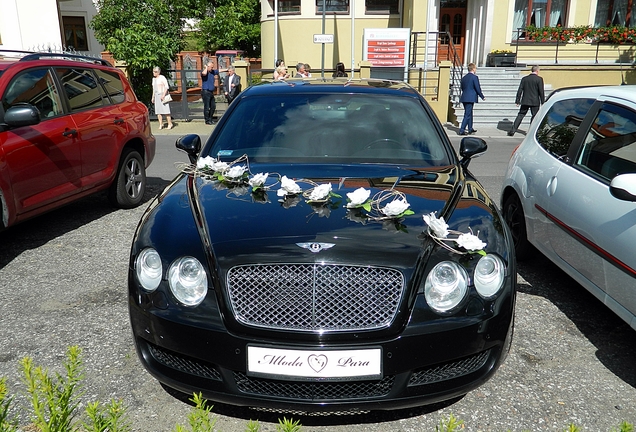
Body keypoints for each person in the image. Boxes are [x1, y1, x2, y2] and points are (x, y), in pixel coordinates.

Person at [508, 65, 545, 136]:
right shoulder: (539, 79)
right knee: (534, 116)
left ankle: (513, 130)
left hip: (525, 100)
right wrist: (543, 102)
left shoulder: (524, 79)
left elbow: (520, 90)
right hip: (535, 101)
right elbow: (541, 92)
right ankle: (530, 132)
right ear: (537, 71)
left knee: (520, 115)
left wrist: (517, 100)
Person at [458, 63, 485, 136]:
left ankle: (470, 128)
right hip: (470, 97)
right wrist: (482, 96)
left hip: (464, 97)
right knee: (467, 114)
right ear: (473, 69)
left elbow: (462, 87)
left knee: (470, 113)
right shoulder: (474, 77)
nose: (476, 70)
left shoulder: (464, 77)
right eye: (475, 68)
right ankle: (462, 129)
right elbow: (477, 87)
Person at [201, 60, 219, 125]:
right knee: (207, 107)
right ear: (208, 66)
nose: (212, 68)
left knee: (213, 106)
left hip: (211, 92)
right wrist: (206, 68)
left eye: (212, 67)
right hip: (205, 92)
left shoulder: (212, 72)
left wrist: (227, 69)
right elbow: (204, 73)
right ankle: (207, 120)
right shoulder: (204, 72)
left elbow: (219, 70)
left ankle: (211, 118)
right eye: (211, 67)